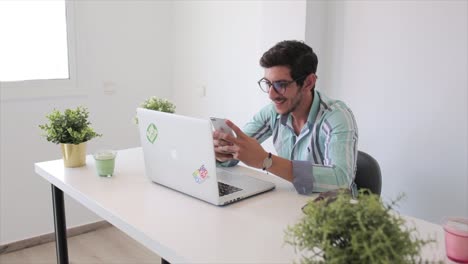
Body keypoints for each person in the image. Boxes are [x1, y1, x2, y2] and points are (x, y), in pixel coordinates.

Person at [213, 40, 358, 195]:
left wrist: (266, 161)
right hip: (290, 200)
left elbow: (341, 181)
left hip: (328, 211)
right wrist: (223, 153)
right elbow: (238, 150)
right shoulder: (272, 112)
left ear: (308, 83)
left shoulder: (337, 116)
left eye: (281, 84)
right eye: (268, 83)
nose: (271, 94)